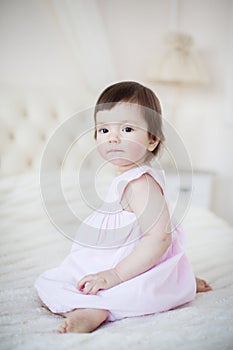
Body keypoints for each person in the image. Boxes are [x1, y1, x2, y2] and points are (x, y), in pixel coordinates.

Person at [35, 81, 211, 334]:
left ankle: (91, 308)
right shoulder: (131, 178)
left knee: (54, 283)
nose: (113, 137)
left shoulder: (141, 184)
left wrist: (114, 276)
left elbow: (160, 238)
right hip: (135, 260)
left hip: (125, 265)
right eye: (104, 130)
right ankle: (171, 281)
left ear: (152, 140)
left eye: (127, 128)